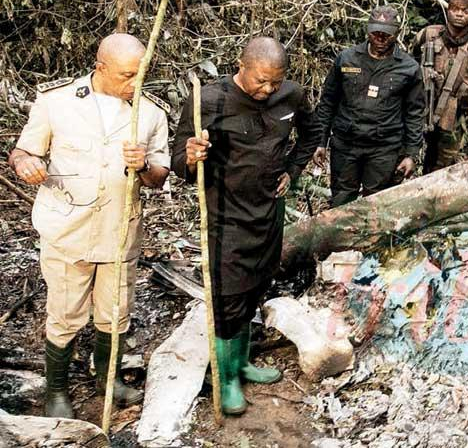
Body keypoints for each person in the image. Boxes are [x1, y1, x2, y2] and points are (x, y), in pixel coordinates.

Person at [8, 33, 171, 418]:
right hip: (68, 230)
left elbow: (161, 176)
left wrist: (144, 166)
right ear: (101, 68)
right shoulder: (57, 102)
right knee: (65, 314)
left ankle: (108, 378)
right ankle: (57, 390)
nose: (135, 84)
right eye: (127, 75)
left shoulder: (149, 112)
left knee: (115, 311)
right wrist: (25, 164)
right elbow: (24, 150)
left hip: (119, 231)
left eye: (141, 75)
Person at [171, 37, 320, 416]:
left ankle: (242, 362)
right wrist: (191, 156)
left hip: (269, 211)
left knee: (257, 284)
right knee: (227, 297)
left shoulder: (291, 95)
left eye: (275, 82)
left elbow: (313, 133)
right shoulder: (209, 100)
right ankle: (225, 377)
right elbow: (179, 164)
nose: (268, 89)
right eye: (261, 81)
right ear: (241, 65)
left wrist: (294, 169)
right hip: (226, 216)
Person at [313, 5, 425, 206]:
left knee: (378, 203)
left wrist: (411, 154)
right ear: (368, 30)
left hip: (384, 148)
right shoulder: (347, 59)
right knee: (341, 199)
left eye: (387, 35)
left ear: (397, 33)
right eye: (375, 33)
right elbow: (328, 102)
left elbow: (414, 113)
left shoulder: (409, 68)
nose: (380, 38)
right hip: (346, 144)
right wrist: (320, 141)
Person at [412, 0, 468, 173]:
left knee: (441, 170)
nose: (459, 14)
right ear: (448, 11)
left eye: (465, 11)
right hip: (420, 109)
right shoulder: (427, 35)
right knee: (406, 160)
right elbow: (409, 67)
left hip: (454, 120)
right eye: (455, 9)